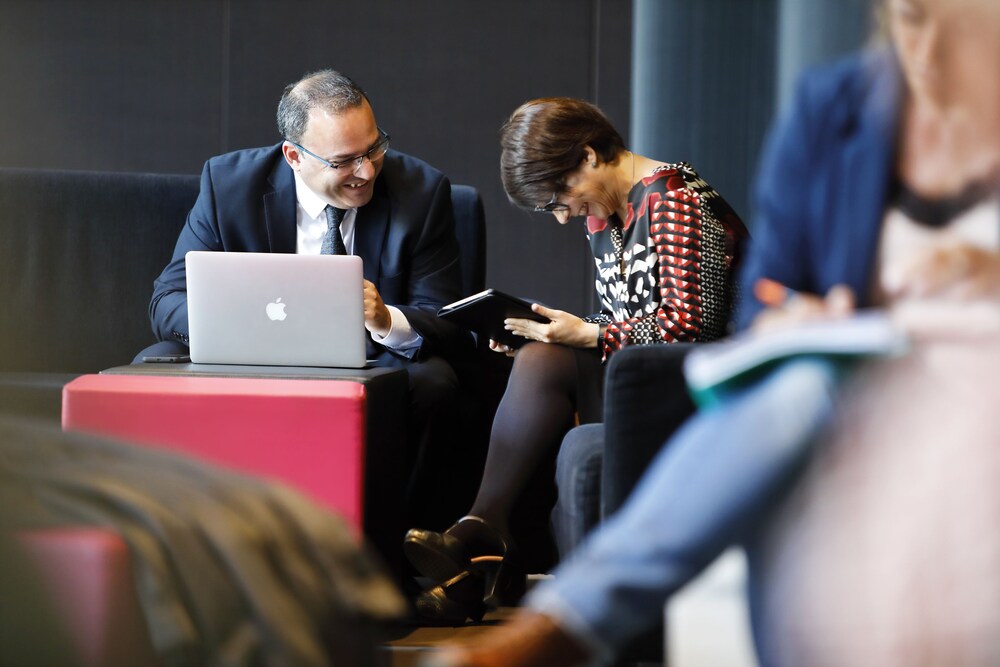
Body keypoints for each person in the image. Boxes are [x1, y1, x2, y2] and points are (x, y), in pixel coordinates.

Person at [421, 0, 1000, 663]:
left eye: (946, 23)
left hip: (965, 354)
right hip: (855, 354)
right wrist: (796, 310)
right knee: (789, 386)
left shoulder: (674, 198)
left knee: (788, 398)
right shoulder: (836, 109)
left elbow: (694, 325)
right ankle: (496, 554)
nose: (921, 45)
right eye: (907, 20)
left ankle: (552, 605)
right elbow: (769, 290)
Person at [402, 97, 748, 623]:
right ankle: (481, 541)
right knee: (537, 355)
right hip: (646, 376)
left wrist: (588, 334)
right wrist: (565, 332)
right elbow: (627, 317)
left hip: (707, 384)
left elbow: (689, 328)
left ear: (588, 156)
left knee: (548, 359)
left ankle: (482, 545)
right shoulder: (606, 213)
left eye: (559, 198)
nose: (564, 217)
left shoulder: (673, 198)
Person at [146, 69, 471, 527]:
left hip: (371, 361)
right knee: (152, 363)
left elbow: (446, 318)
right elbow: (166, 299)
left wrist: (386, 319)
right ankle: (177, 535)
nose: (367, 170)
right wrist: (227, 323)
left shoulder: (421, 191)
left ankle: (405, 549)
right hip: (244, 358)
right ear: (294, 156)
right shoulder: (228, 184)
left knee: (436, 384)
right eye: (344, 161)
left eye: (375, 148)